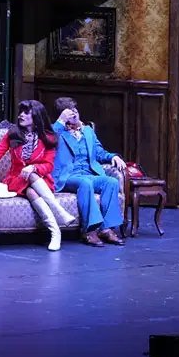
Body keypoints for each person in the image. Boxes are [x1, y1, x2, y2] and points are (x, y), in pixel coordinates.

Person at [0, 100, 76, 251]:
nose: (21, 115)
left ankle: (55, 232)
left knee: (32, 189)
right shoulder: (13, 134)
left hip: (41, 181)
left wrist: (33, 167)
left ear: (37, 116)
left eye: (26, 113)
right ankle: (60, 212)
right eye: (21, 112)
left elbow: (48, 165)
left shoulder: (48, 137)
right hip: (16, 179)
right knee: (30, 177)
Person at [50, 97, 126, 247]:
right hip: (67, 177)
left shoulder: (88, 131)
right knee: (85, 183)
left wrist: (113, 156)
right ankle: (89, 231)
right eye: (69, 112)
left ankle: (107, 229)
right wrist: (60, 121)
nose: (74, 114)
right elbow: (48, 141)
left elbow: (99, 152)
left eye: (75, 110)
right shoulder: (55, 131)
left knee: (111, 182)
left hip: (88, 174)